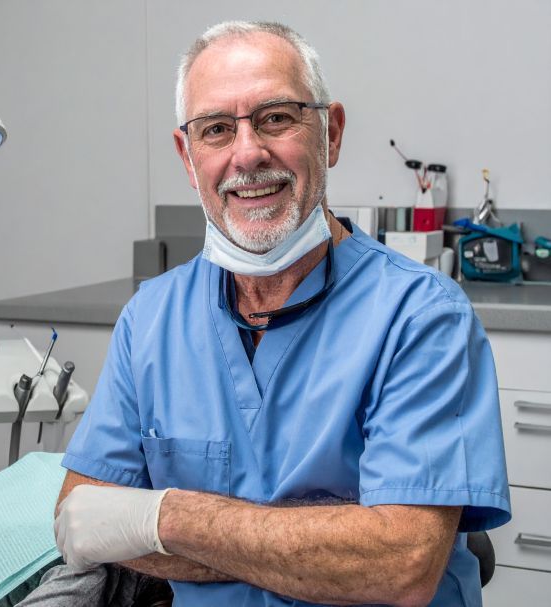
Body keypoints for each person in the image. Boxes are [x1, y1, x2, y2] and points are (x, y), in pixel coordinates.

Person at [54, 20, 511, 607]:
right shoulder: (152, 319)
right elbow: (83, 518)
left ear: (331, 133)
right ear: (188, 158)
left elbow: (401, 563)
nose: (248, 153)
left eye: (275, 117)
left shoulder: (420, 316)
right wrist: (318, 549)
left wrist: (163, 515)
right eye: (216, 129)